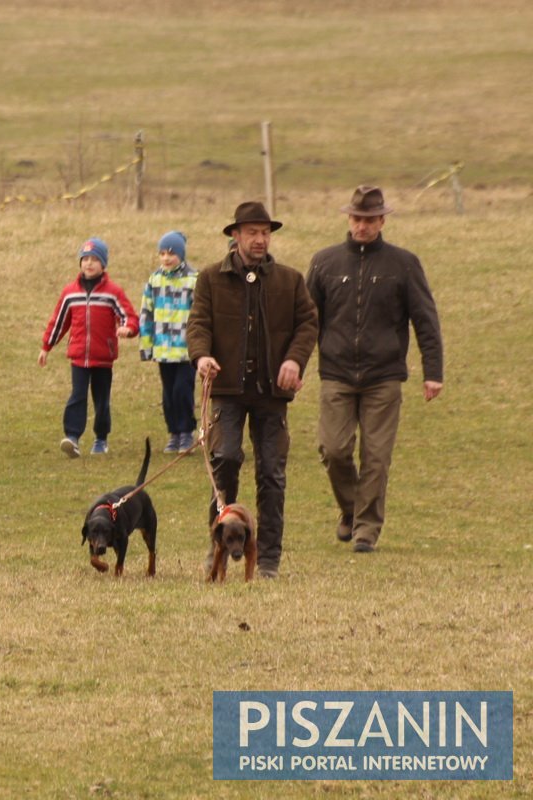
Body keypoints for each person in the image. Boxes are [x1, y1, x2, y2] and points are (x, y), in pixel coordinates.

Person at [306, 185, 444, 554]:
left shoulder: (404, 264)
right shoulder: (324, 263)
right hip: (335, 373)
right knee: (332, 449)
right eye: (356, 218)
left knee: (376, 457)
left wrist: (434, 370)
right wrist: (293, 363)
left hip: (384, 376)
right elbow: (307, 321)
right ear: (348, 219)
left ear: (383, 220)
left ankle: (366, 529)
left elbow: (425, 319)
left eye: (369, 220)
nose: (362, 226)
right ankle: (352, 509)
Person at [187, 202, 318, 578]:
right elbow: (198, 324)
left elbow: (308, 324)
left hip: (271, 394)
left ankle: (268, 559)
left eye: (265, 233)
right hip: (226, 390)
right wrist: (202, 356)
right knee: (225, 459)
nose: (260, 240)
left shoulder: (290, 281)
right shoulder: (210, 279)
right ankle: (218, 549)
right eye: (252, 233)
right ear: (235, 235)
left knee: (272, 475)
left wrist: (294, 360)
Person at [38, 237, 138, 457]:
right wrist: (46, 346)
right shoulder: (70, 293)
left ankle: (101, 438)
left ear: (103, 264)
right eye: (85, 259)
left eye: (94, 259)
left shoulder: (113, 292)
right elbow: (59, 321)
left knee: (101, 400)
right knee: (77, 395)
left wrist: (128, 329)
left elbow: (129, 317)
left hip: (103, 357)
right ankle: (72, 437)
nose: (89, 264)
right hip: (78, 358)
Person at [139, 230, 199, 455]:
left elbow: (201, 315)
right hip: (163, 350)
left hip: (186, 351)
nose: (166, 258)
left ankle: (186, 433)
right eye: (162, 253)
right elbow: (146, 313)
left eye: (171, 253)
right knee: (168, 393)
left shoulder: (194, 279)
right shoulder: (154, 280)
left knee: (182, 390)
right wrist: (147, 346)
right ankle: (173, 432)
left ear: (181, 255)